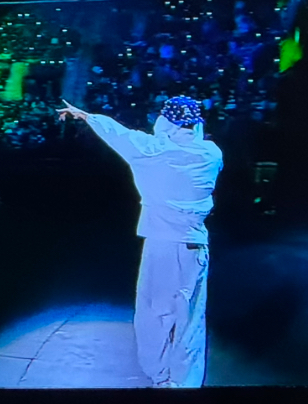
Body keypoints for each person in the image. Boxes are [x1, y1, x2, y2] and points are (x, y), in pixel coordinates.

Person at [57, 95, 222, 388]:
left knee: (152, 314)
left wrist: (86, 116)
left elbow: (120, 134)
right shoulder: (212, 154)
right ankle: (184, 383)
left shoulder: (152, 150)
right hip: (194, 248)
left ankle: (159, 375)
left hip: (161, 246)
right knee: (190, 320)